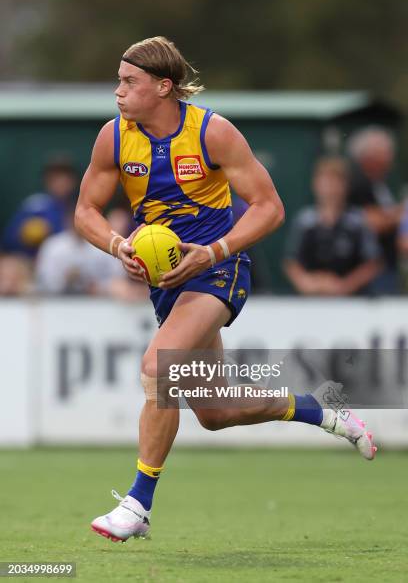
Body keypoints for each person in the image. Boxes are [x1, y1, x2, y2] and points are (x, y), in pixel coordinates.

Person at [74, 37, 376, 543]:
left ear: (163, 87)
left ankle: (138, 505)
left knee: (158, 367)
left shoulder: (213, 133)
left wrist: (214, 250)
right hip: (165, 279)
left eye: (130, 82)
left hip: (218, 267)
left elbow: (269, 207)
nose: (118, 92)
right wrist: (116, 245)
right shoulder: (113, 137)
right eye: (119, 81)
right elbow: (85, 210)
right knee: (215, 411)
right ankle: (316, 409)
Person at [284, 157, 382, 295]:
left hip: (352, 301)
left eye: (335, 182)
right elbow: (291, 261)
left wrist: (344, 286)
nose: (330, 187)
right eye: (325, 181)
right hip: (311, 300)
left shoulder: (358, 222)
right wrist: (307, 283)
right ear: (315, 184)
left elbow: (372, 262)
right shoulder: (304, 221)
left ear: (345, 185)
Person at [346, 127, 402, 294]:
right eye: (385, 152)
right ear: (368, 157)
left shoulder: (380, 184)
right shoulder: (358, 183)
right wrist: (400, 214)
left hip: (385, 266)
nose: (390, 157)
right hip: (368, 271)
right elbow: (371, 222)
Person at [2, 158, 78, 257]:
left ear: (73, 181)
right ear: (47, 180)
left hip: (64, 261)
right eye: (54, 178)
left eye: (64, 177)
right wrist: (24, 233)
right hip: (30, 261)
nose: (60, 182)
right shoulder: (34, 205)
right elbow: (8, 240)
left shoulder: (80, 208)